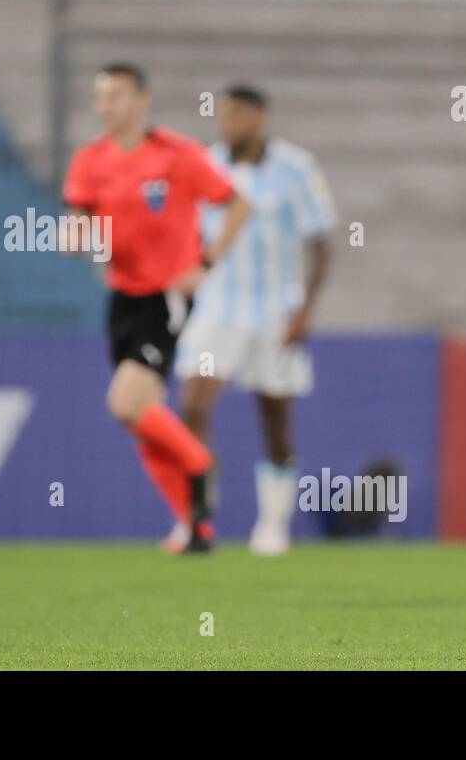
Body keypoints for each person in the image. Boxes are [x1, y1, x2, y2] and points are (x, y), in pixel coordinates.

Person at [63, 64, 250, 553]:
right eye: (101, 97)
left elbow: (238, 204)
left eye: (118, 96)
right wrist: (72, 234)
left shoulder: (177, 155)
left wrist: (205, 262)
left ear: (142, 100)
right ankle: (193, 524)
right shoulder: (90, 160)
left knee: (125, 403)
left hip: (165, 297)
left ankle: (199, 465)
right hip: (122, 296)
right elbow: (77, 218)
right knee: (139, 419)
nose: (107, 106)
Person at [174, 85, 335, 556]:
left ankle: (272, 526)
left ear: (260, 116)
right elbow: (187, 234)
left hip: (275, 309)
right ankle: (200, 516)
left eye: (240, 115)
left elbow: (321, 243)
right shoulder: (205, 164)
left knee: (276, 418)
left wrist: (304, 308)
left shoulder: (296, 168)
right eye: (224, 115)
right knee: (194, 407)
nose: (230, 124)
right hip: (218, 306)